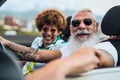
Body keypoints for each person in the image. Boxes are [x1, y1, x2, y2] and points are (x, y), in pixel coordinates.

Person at [25, 6, 120, 80]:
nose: (82, 26)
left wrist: (55, 69)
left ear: (96, 26)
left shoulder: (108, 46)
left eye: (87, 22)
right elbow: (39, 55)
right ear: (71, 29)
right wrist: (9, 45)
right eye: (76, 23)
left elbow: (95, 56)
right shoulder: (69, 46)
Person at [22, 9, 67, 75]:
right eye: (45, 29)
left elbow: (38, 55)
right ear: (40, 29)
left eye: (53, 30)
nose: (48, 33)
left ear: (58, 32)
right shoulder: (37, 41)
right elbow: (27, 62)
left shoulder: (61, 46)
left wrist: (7, 43)